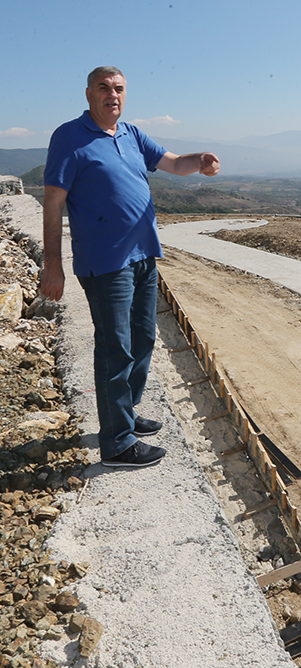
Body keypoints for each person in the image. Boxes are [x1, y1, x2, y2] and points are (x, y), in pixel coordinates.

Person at [41, 67, 221, 469]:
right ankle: (118, 444)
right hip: (105, 264)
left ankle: (126, 414)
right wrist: (53, 265)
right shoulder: (69, 137)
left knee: (143, 340)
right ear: (89, 94)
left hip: (143, 256)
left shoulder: (132, 134)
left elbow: (173, 163)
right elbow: (53, 203)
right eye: (104, 88)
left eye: (119, 88)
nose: (112, 95)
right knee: (114, 348)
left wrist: (201, 160)